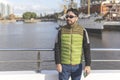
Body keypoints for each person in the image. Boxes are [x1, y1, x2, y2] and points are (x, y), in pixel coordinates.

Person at [54, 8, 91, 80]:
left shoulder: (82, 31)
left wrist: (88, 65)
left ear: (76, 18)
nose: (68, 18)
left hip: (77, 66)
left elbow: (87, 48)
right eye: (67, 16)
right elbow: (57, 47)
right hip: (64, 66)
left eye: (71, 16)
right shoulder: (61, 30)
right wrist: (58, 63)